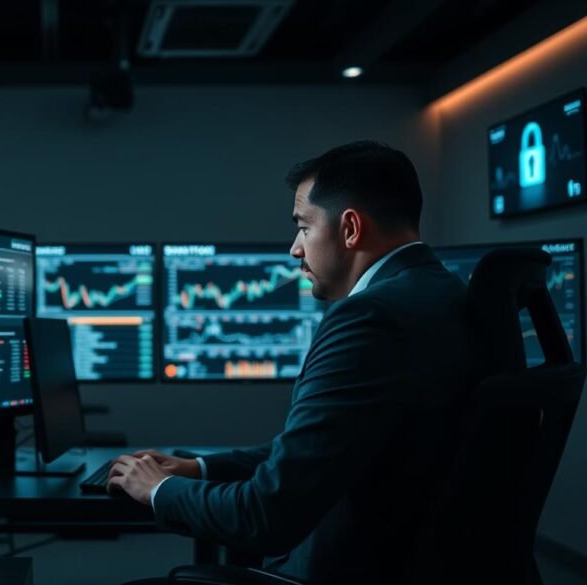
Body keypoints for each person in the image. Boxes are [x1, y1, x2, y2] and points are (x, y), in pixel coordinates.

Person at [108, 141, 474, 584]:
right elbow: (326, 449)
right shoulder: (443, 293)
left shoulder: (369, 318)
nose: (295, 249)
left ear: (350, 228)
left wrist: (158, 490)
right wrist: (200, 468)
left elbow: (267, 515)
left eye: (303, 227)